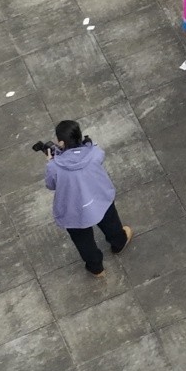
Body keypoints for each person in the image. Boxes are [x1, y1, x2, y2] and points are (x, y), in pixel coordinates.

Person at [46, 118, 129, 275]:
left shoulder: (54, 166)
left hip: (74, 209)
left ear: (61, 142)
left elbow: (51, 185)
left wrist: (52, 161)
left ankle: (96, 267)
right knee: (110, 222)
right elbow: (99, 156)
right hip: (98, 198)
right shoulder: (94, 152)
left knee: (83, 240)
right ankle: (119, 242)